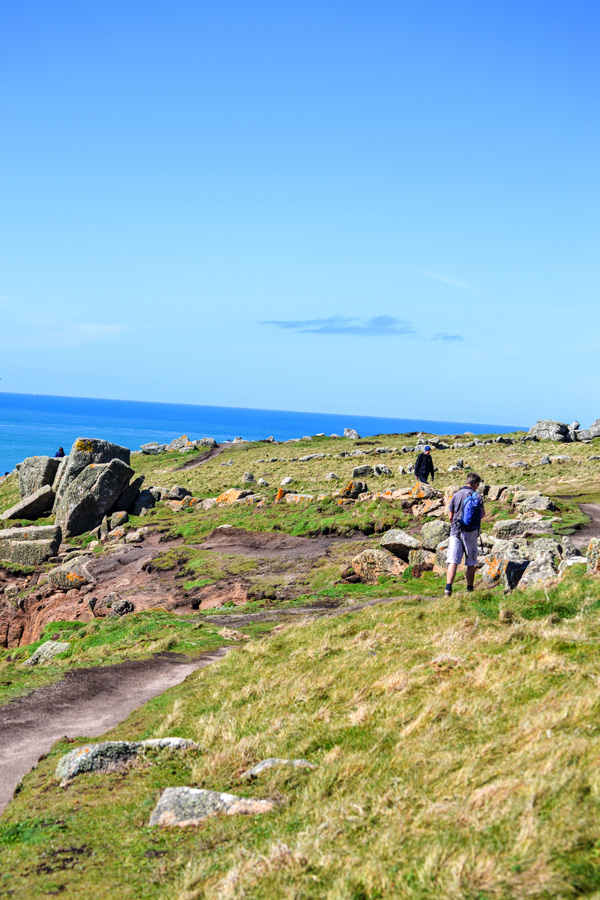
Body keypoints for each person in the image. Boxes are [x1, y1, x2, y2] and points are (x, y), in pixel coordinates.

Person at [445, 472, 485, 597]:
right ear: (474, 484)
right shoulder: (477, 496)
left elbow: (450, 515)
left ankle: (448, 589)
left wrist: (455, 523)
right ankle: (469, 589)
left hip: (455, 531)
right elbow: (482, 514)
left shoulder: (456, 495)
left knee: (453, 561)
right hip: (471, 532)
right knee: (471, 562)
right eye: (477, 484)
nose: (478, 487)